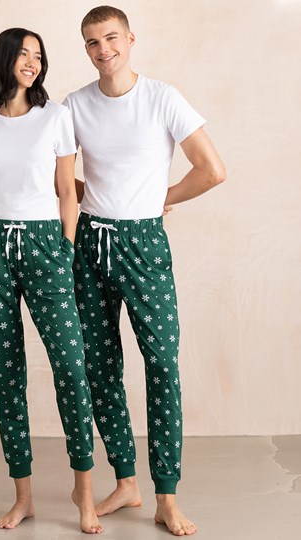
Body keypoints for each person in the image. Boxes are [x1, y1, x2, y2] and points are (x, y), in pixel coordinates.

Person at [62, 6, 226, 536]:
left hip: (144, 243)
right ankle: (126, 481)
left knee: (161, 365)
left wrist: (158, 198)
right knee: (100, 365)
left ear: (131, 40)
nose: (103, 49)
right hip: (91, 241)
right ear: (85, 49)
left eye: (111, 38)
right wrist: (95, 197)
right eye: (92, 42)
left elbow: (212, 170)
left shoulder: (162, 98)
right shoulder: (74, 105)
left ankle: (166, 497)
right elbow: (57, 176)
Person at [0, 27, 103, 534]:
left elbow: (67, 192)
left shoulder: (55, 117)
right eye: (23, 53)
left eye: (38, 56)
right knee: (5, 375)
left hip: (46, 246)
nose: (32, 62)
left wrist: (65, 250)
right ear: (3, 58)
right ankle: (23, 497)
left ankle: (85, 495)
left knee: (72, 368)